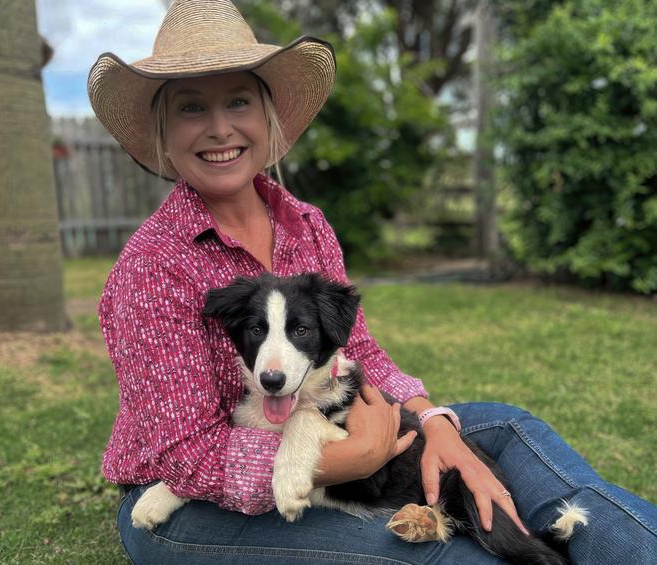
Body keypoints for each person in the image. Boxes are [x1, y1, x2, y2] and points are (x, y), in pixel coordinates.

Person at [88, 1, 657, 563]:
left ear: (266, 116)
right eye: (191, 108)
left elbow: (354, 346)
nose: (219, 128)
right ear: (163, 130)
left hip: (334, 440)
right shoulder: (152, 266)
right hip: (188, 507)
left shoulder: (306, 225)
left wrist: (433, 423)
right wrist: (355, 457)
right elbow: (183, 457)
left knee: (507, 429)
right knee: (444, 558)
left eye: (237, 100)